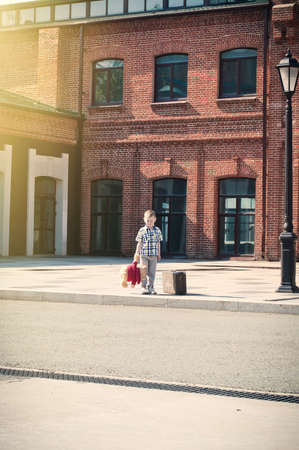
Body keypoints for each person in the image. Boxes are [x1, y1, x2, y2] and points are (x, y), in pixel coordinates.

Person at [135, 210, 163, 295]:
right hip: (144, 254)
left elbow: (158, 243)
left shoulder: (157, 230)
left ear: (155, 220)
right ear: (144, 220)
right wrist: (136, 253)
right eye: (147, 221)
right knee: (143, 270)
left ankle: (151, 287)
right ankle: (143, 287)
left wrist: (159, 254)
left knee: (152, 272)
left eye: (151, 221)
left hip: (153, 255)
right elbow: (139, 243)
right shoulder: (142, 230)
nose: (149, 222)